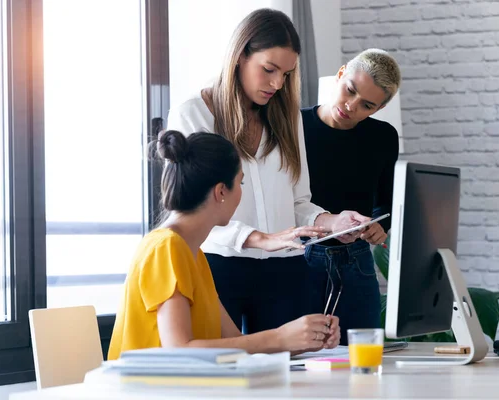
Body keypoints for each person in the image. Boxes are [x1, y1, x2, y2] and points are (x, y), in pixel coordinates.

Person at [166, 8, 367, 335]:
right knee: (222, 375)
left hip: (285, 271)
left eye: (286, 74)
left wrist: (332, 222)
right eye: (269, 69)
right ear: (239, 56)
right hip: (216, 267)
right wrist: (260, 239)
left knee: (289, 375)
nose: (277, 83)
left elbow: (299, 202)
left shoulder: (288, 118)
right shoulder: (193, 113)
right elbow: (190, 211)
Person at [107, 130, 340, 360]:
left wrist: (305, 338)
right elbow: (177, 350)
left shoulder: (193, 253)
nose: (241, 192)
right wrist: (280, 337)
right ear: (221, 191)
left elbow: (236, 342)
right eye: (241, 182)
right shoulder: (166, 247)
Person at [301, 49, 401, 345]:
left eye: (366, 105)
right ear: (341, 73)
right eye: (350, 90)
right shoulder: (293, 126)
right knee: (298, 363)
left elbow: (388, 202)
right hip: (297, 258)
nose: (351, 106)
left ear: (378, 109)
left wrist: (380, 225)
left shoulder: (383, 137)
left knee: (363, 361)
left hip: (355, 261)